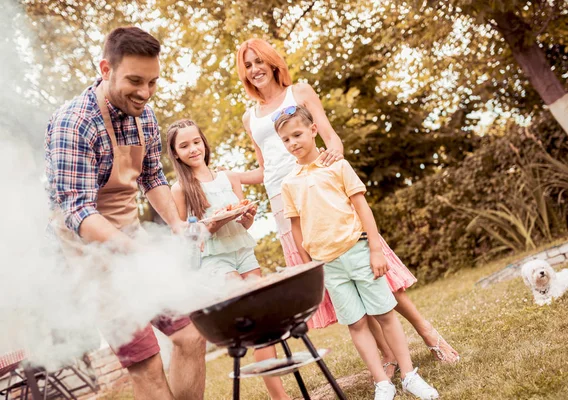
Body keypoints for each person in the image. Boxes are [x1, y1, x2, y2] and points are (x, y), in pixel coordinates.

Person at [235, 38, 459, 376]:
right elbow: (266, 169)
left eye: (258, 61)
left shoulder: (301, 92)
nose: (254, 70)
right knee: (340, 281)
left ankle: (428, 333)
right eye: (247, 65)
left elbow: (331, 138)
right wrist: (229, 177)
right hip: (288, 206)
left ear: (272, 62)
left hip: (324, 194)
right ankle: (386, 355)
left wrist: (332, 161)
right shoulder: (249, 117)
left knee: (375, 273)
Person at [45, 27, 206, 400]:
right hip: (90, 260)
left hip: (132, 240)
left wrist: (178, 226)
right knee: (147, 365)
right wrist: (138, 252)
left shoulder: (144, 117)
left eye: (152, 82)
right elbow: (76, 209)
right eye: (135, 80)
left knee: (191, 335)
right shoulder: (74, 123)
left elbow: (152, 177)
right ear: (106, 68)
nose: (145, 92)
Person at [277, 105, 439, 400]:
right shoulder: (289, 183)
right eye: (286, 140)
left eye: (297, 134)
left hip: (358, 251)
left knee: (385, 314)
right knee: (356, 323)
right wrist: (309, 270)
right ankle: (382, 383)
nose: (293, 143)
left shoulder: (337, 166)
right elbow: (296, 228)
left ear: (314, 131)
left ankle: (410, 375)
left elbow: (363, 208)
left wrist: (375, 250)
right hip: (328, 266)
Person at [166, 119, 292, 400]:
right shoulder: (180, 189)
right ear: (175, 153)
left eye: (196, 142)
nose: (193, 149)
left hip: (243, 251)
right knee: (250, 312)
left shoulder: (229, 177)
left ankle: (278, 395)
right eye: (184, 145)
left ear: (204, 143)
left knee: (264, 319)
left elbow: (243, 221)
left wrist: (247, 217)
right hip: (214, 259)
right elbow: (186, 238)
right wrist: (209, 227)